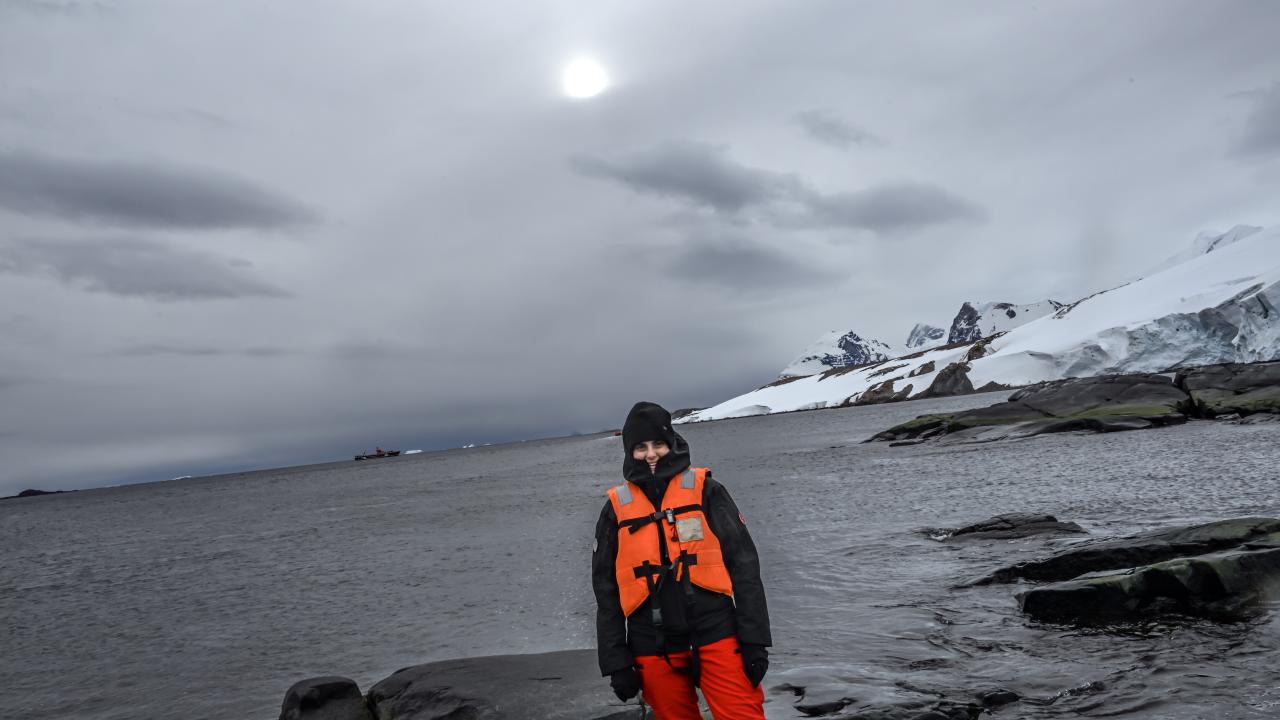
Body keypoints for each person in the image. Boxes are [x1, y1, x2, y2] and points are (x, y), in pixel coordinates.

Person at [592, 401, 771, 719]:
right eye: (640, 447)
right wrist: (615, 660)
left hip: (716, 633)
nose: (650, 454)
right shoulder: (615, 509)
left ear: (671, 443)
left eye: (658, 444)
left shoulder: (707, 491)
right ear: (629, 452)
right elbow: (606, 590)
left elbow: (744, 566)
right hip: (652, 644)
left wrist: (755, 640)